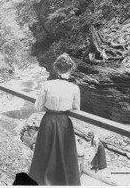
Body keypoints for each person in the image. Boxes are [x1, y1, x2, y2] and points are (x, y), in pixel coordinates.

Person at [29, 53, 81, 185]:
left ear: (56, 69)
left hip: (49, 121)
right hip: (64, 123)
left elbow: (39, 107)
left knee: (44, 153)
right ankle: (64, 182)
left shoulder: (47, 84)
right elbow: (76, 109)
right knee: (64, 154)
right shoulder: (74, 87)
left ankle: (41, 181)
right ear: (70, 69)